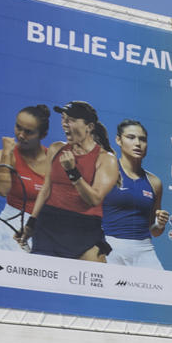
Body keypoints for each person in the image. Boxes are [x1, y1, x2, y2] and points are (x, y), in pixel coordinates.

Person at [27, 100, 116, 261]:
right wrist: (31, 222)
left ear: (89, 127)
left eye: (71, 120)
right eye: (63, 118)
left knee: (92, 283)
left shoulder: (106, 159)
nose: (65, 124)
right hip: (49, 224)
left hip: (85, 227)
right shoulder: (55, 148)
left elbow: (94, 199)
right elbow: (46, 189)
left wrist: (72, 172)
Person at [100, 119, 170, 268]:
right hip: (110, 245)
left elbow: (155, 231)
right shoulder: (105, 172)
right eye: (131, 138)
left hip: (144, 249)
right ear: (118, 140)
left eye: (142, 139)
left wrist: (160, 224)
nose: (138, 143)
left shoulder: (154, 182)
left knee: (161, 289)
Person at [0, 104, 53, 253]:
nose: (21, 135)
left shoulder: (54, 159)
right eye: (18, 127)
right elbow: (2, 191)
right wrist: (6, 154)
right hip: (9, 224)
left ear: (42, 135)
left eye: (29, 132)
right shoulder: (3, 155)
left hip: (44, 228)